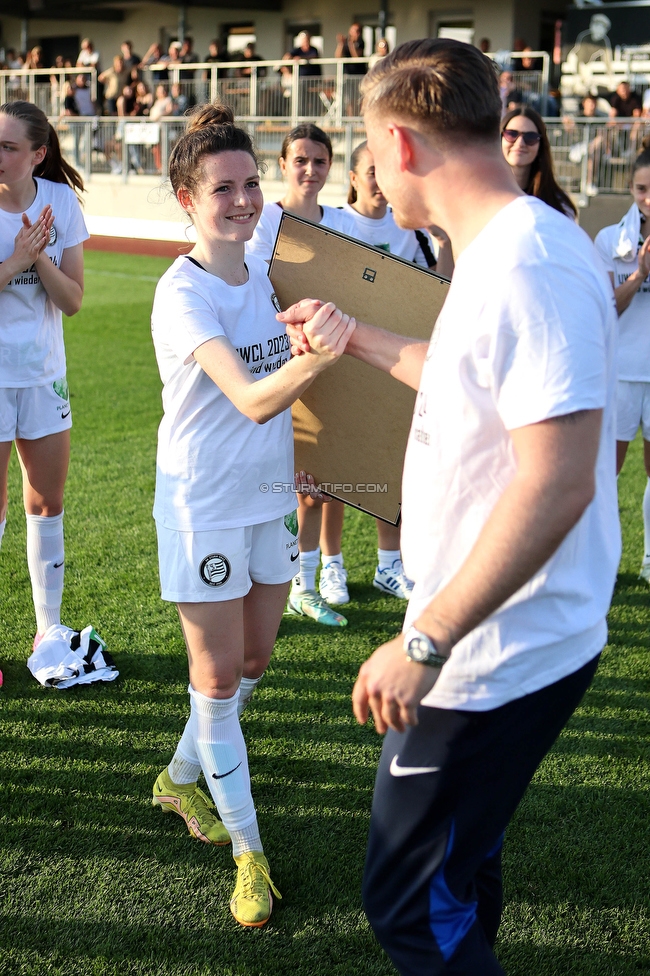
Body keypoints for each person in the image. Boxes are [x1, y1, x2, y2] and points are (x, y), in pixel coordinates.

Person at [280, 38, 619, 975]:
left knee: (409, 906)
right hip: (499, 638)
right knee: (459, 872)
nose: (376, 172)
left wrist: (423, 640)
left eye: (372, 150)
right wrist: (357, 339)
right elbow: (476, 384)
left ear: (401, 141)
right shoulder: (499, 247)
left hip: (490, 654)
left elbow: (557, 478)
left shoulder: (528, 263)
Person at [149, 102, 354, 927]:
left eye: (248, 184)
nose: (241, 200)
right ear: (186, 199)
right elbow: (251, 398)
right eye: (221, 189)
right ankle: (248, 852)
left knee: (256, 661)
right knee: (219, 677)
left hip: (268, 500)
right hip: (202, 507)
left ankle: (177, 776)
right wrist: (319, 359)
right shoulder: (180, 292)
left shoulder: (263, 263)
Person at [247, 123, 358, 627]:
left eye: (319, 161)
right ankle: (283, 578)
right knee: (282, 481)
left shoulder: (342, 223)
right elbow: (254, 291)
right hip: (278, 362)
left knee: (316, 482)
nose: (310, 170)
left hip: (328, 363)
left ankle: (306, 582)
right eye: (301, 160)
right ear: (283, 165)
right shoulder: (265, 221)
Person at [0, 100, 88, 688]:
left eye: (8, 146)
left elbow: (73, 299)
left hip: (43, 375)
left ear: (37, 154)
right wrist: (18, 260)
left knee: (45, 504)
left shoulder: (61, 203)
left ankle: (48, 631)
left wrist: (42, 262)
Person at [595, 137, 650, 580]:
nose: (648, 198)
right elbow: (606, 307)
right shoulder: (609, 238)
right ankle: (601, 559)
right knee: (606, 473)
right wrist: (640, 276)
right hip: (622, 370)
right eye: (641, 189)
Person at [501, 106, 577, 217]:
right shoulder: (481, 195)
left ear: (541, 145)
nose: (520, 143)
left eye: (530, 137)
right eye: (511, 134)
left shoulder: (558, 204)